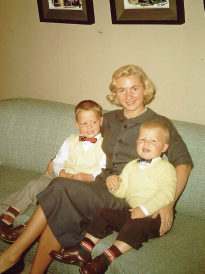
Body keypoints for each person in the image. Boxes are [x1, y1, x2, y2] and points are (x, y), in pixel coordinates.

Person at [0, 65, 193, 274]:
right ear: (115, 93)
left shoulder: (160, 123)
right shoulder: (109, 119)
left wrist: (168, 203)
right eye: (121, 90)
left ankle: (11, 256)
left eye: (134, 88)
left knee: (61, 187)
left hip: (124, 195)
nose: (128, 96)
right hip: (98, 185)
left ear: (145, 89)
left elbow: (183, 162)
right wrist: (55, 161)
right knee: (61, 203)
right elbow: (83, 137)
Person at [50, 121, 177, 273]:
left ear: (164, 148)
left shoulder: (165, 168)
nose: (146, 143)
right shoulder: (131, 166)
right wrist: (115, 185)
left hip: (153, 217)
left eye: (153, 141)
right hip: (130, 212)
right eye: (142, 139)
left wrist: (144, 210)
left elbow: (167, 193)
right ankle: (83, 251)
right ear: (137, 142)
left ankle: (105, 259)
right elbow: (124, 192)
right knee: (103, 213)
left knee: (135, 226)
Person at [0, 99, 105, 242]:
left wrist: (90, 177)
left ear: (101, 121)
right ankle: (8, 216)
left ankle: (27, 228)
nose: (89, 127)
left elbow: (105, 169)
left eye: (93, 122)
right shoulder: (71, 140)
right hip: (61, 177)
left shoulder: (105, 144)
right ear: (77, 125)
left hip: (83, 185)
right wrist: (61, 171)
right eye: (84, 123)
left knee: (62, 200)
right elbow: (58, 160)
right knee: (35, 184)